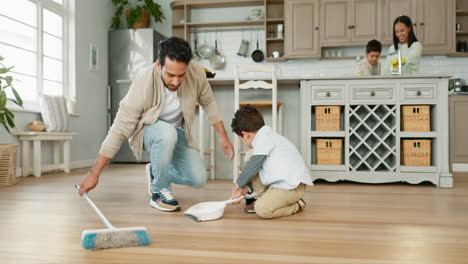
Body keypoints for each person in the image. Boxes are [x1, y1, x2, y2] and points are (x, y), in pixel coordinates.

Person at [79, 37, 234, 212]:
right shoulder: (144, 81)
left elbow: (209, 103)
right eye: (170, 75)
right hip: (147, 131)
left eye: (181, 75)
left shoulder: (196, 72)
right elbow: (120, 127)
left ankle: (156, 171)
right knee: (166, 133)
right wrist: (95, 173)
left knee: (198, 179)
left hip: (178, 131)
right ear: (159, 65)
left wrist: (224, 137)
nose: (176, 82)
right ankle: (159, 191)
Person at [229, 105, 313, 219]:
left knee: (262, 210)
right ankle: (266, 199)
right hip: (285, 182)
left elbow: (252, 167)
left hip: (293, 187)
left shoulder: (263, 139)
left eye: (241, 139)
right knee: (251, 155)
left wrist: (238, 184)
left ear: (245, 134)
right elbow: (258, 170)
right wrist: (244, 189)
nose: (243, 142)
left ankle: (297, 205)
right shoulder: (265, 134)